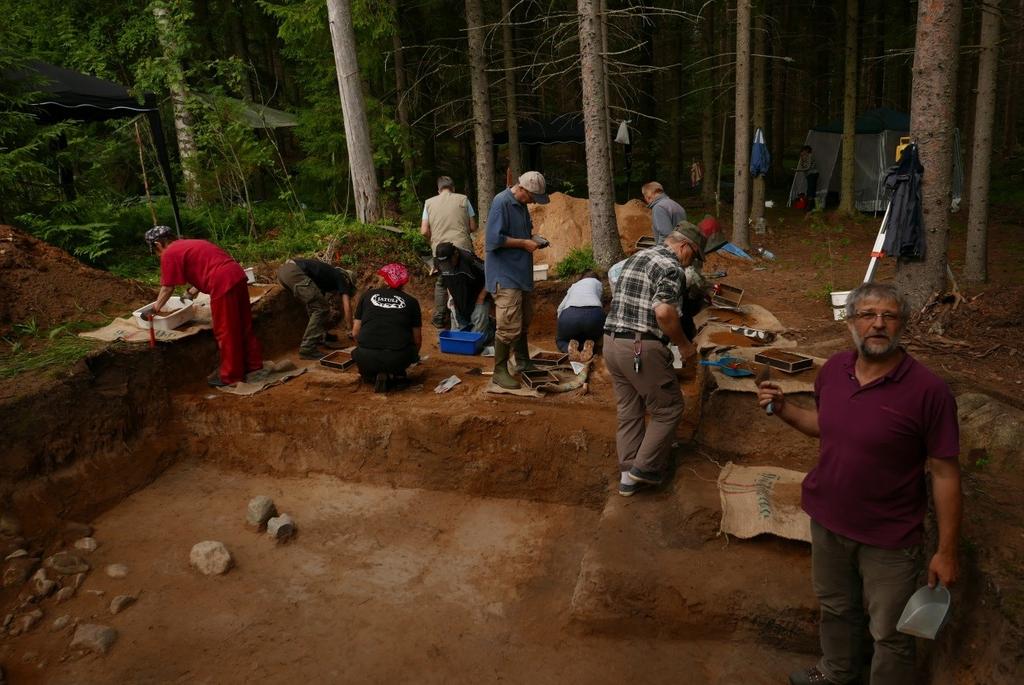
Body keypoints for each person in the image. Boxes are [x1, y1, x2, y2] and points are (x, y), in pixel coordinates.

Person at [757, 283, 962, 685]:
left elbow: (945, 473)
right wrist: (783, 409)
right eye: (867, 314)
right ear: (851, 321)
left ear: (903, 324)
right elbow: (826, 427)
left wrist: (947, 550)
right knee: (836, 608)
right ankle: (836, 674)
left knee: (891, 633)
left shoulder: (929, 391)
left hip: (889, 537)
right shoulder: (833, 370)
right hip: (828, 521)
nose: (878, 324)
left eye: (889, 316)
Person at [603, 227, 702, 496]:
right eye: (694, 256)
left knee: (630, 409)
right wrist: (684, 345)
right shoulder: (671, 267)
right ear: (685, 247)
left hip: (611, 343)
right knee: (668, 408)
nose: (691, 262)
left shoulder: (639, 256)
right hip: (639, 346)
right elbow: (664, 311)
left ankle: (627, 476)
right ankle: (645, 469)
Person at [145, 226, 262, 387]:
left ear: (158, 244)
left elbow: (167, 288)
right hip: (237, 275)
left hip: (222, 283)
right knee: (243, 324)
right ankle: (253, 365)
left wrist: (155, 308)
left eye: (155, 249)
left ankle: (231, 376)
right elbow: (208, 268)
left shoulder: (169, 253)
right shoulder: (193, 243)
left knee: (226, 330)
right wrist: (191, 292)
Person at [484, 170, 549, 389]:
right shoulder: (501, 203)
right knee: (508, 324)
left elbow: (520, 234)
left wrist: (533, 239)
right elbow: (493, 240)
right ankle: (499, 370)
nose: (532, 202)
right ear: (522, 189)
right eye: (532, 197)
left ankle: (522, 361)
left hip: (520, 274)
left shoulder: (520, 206)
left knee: (523, 319)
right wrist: (523, 244)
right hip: (505, 274)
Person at [352, 263, 422, 393]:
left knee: (361, 353)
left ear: (384, 279)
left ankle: (370, 374)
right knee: (406, 348)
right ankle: (397, 373)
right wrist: (412, 357)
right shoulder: (412, 301)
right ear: (404, 282)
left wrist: (365, 350)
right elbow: (417, 340)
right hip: (398, 358)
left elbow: (355, 333)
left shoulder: (367, 296)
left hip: (365, 357)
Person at [420, 176, 478, 329]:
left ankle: (439, 317)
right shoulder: (463, 199)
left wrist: (433, 239)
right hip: (462, 247)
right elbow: (473, 227)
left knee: (442, 282)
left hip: (441, 251)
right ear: (453, 189)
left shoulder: (429, 203)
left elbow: (424, 230)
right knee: (465, 280)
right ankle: (468, 317)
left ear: (438, 190)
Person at [276, 258, 356, 360]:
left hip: (283, 273)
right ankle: (307, 348)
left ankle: (319, 337)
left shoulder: (324, 277)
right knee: (321, 309)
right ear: (348, 280)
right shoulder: (341, 277)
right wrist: (350, 329)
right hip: (294, 272)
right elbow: (347, 306)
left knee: (316, 307)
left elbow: (317, 301)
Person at [434, 241, 492, 341]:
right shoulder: (439, 263)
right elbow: (446, 281)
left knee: (477, 339)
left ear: (455, 254)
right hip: (458, 301)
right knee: (457, 339)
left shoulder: (469, 259)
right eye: (444, 263)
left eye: (449, 261)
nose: (447, 265)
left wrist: (481, 297)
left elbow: (491, 274)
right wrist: (450, 298)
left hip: (477, 298)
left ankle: (490, 330)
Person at [555, 271, 605, 362]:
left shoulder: (574, 285)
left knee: (561, 340)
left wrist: (562, 327)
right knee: (594, 336)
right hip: (594, 315)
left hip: (570, 315)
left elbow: (560, 308)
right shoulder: (598, 284)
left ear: (582, 278)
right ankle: (589, 345)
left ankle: (569, 347)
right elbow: (600, 303)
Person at [795, 145, 819, 211]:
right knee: (811, 189)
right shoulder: (804, 157)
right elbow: (803, 166)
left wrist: (799, 170)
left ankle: (810, 206)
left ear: (807, 151)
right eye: (802, 151)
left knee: (810, 189)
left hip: (813, 174)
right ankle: (814, 206)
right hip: (809, 174)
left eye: (803, 151)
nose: (802, 152)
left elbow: (807, 167)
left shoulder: (810, 156)